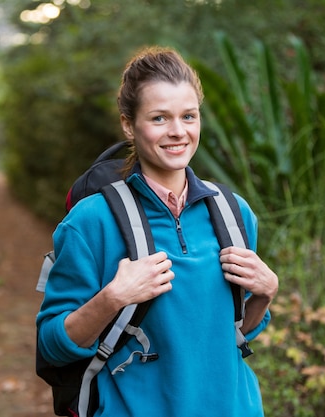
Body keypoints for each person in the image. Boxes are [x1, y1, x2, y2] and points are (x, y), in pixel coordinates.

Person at [36, 46, 279, 416]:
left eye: (189, 116)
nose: (178, 132)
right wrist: (112, 297)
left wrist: (264, 295)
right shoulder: (91, 221)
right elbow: (51, 346)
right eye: (160, 118)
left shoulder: (234, 213)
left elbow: (228, 337)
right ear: (128, 124)